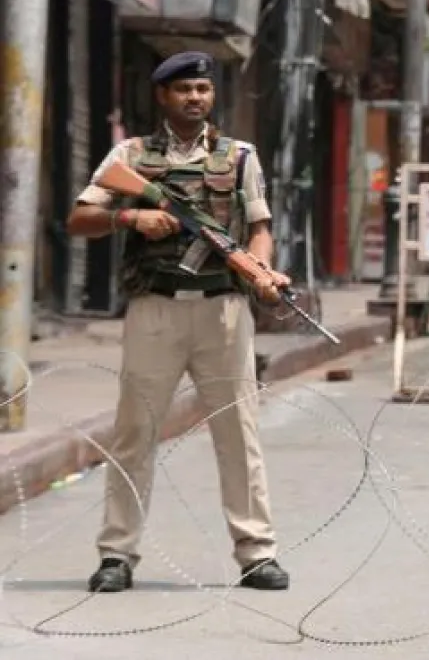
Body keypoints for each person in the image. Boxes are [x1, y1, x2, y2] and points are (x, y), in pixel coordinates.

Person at [65, 51, 293, 594]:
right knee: (135, 434)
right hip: (156, 310)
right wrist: (131, 216)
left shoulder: (240, 157)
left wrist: (260, 270)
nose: (196, 98)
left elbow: (259, 226)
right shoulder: (131, 155)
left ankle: (257, 553)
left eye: (204, 89)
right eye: (185, 89)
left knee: (238, 436)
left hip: (224, 310)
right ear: (163, 95)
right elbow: (79, 218)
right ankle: (117, 554)